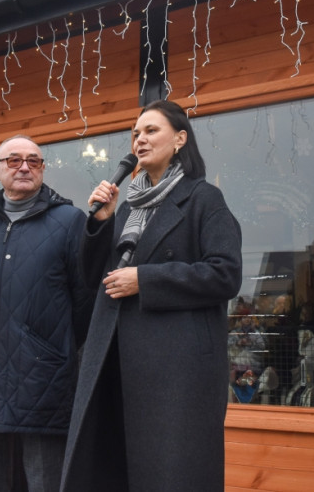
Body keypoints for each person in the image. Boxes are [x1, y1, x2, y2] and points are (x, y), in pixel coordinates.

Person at [60, 100, 243, 492]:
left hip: (175, 371)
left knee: (169, 474)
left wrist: (146, 279)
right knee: (113, 471)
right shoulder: (126, 207)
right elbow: (97, 279)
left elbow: (225, 274)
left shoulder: (203, 199)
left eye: (151, 131)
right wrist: (101, 221)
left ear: (179, 139)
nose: (140, 139)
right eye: (136, 133)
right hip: (115, 360)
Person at [0, 135, 90, 492]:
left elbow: (84, 301)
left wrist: (45, 345)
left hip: (42, 374)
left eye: (34, 161)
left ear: (42, 170)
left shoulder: (70, 221)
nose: (24, 167)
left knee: (45, 477)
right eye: (13, 160)